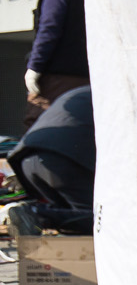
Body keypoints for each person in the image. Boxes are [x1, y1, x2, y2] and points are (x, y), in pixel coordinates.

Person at [5, 83, 93, 236]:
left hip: (27, 158)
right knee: (103, 220)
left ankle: (38, 215)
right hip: (62, 158)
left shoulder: (86, 92)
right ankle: (38, 215)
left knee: (72, 218)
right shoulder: (124, 101)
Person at [24, 0, 88, 128]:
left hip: (55, 77)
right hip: (85, 76)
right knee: (77, 126)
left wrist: (34, 67)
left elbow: (49, 29)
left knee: (40, 125)